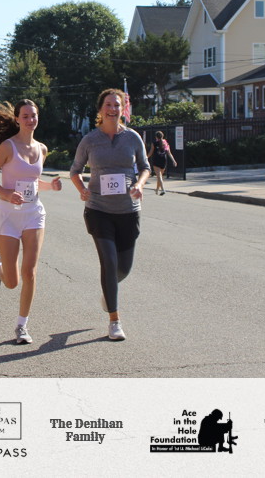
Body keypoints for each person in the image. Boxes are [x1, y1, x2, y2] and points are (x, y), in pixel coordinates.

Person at [69, 88, 150, 341]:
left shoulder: (133, 137)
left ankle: (109, 290)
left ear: (123, 109)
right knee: (109, 261)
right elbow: (75, 170)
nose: (112, 109)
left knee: (123, 269)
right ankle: (114, 320)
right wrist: (82, 189)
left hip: (128, 211)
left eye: (117, 105)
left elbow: (145, 167)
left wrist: (140, 184)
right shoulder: (90, 140)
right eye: (108, 105)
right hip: (99, 210)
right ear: (100, 109)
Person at [0, 100, 62, 345]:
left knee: (30, 272)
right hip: (8, 215)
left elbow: (34, 183)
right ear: (17, 119)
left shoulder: (42, 149)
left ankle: (21, 325)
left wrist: (51, 186)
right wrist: (6, 194)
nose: (30, 120)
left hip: (33, 213)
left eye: (33, 115)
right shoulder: (7, 147)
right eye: (25, 116)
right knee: (11, 282)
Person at [147, 131, 176, 196]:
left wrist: (146, 157)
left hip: (156, 161)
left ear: (156, 137)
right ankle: (157, 189)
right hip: (163, 161)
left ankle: (162, 189)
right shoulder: (165, 143)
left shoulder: (154, 143)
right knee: (159, 176)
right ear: (162, 136)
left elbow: (151, 152)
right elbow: (169, 153)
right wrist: (173, 161)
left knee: (159, 176)